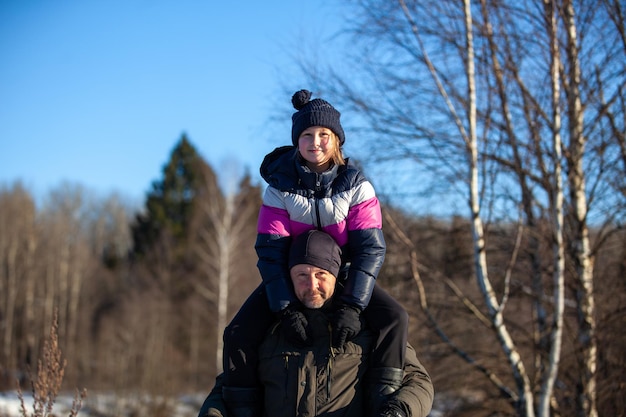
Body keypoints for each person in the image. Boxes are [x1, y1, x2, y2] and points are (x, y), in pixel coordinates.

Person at [221, 89, 409, 417]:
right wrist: (286, 309)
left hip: (346, 274)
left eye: (324, 134)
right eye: (307, 134)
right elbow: (270, 250)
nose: (316, 141)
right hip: (293, 276)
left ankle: (384, 403)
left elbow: (370, 248)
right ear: (297, 141)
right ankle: (242, 408)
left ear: (337, 140)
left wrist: (353, 305)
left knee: (395, 318)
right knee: (237, 333)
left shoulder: (356, 185)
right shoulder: (279, 188)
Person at [200, 230, 433, 417]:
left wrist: (399, 410)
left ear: (336, 275)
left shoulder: (370, 325)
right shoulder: (266, 328)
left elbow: (418, 381)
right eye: (302, 275)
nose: (312, 285)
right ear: (289, 278)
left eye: (321, 275)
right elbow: (227, 385)